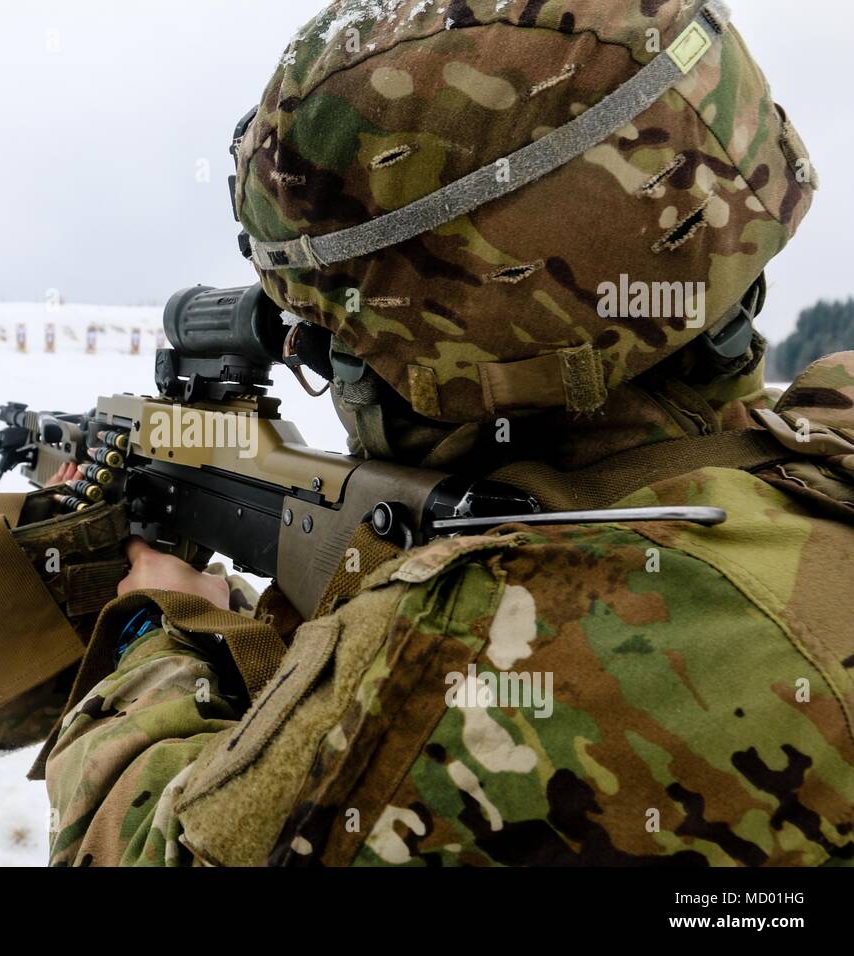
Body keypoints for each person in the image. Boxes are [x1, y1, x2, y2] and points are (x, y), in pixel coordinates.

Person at [42, 0, 853, 867]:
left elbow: (144, 850)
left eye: (329, 344)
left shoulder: (472, 648)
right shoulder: (822, 440)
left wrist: (157, 635)